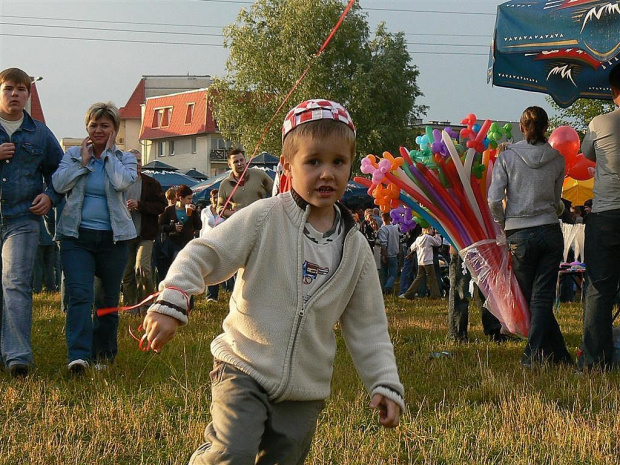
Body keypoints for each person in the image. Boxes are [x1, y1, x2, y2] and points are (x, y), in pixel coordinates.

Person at [142, 99, 404, 464]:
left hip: (304, 391)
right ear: (286, 166)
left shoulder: (354, 247)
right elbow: (205, 253)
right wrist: (174, 298)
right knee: (231, 454)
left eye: (338, 162)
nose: (327, 173)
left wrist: (384, 382)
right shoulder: (264, 217)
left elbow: (370, 324)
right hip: (243, 367)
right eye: (313, 161)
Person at [52, 101, 137, 373]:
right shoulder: (74, 155)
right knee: (79, 295)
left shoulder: (125, 158)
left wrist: (108, 155)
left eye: (104, 125)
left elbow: (122, 182)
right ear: (86, 127)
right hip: (77, 238)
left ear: (115, 130)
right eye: (93, 125)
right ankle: (78, 355)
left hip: (114, 240)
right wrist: (83, 164)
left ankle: (103, 355)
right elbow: (58, 184)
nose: (98, 130)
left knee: (108, 299)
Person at [488, 106, 571, 367]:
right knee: (542, 297)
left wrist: (503, 223)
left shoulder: (507, 158)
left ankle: (533, 353)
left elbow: (493, 199)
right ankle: (559, 355)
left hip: (519, 233)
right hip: (549, 230)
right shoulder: (558, 159)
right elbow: (557, 202)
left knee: (533, 298)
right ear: (546, 128)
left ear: (522, 128)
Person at [0, 67, 63, 377]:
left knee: (15, 282)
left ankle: (17, 357)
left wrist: (50, 196)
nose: (15, 94)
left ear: (27, 94)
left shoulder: (40, 132)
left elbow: (61, 171)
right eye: (9, 88)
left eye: (21, 89)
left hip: (22, 219)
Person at [579, 63, 620, 370]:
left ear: (612, 90)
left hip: (606, 213)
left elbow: (588, 154)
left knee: (599, 288)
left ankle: (596, 360)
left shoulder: (599, 122)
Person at [121, 149, 166, 313]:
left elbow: (161, 206)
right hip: (124, 235)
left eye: (139, 161)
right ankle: (131, 306)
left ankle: (147, 303)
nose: (137, 165)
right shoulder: (119, 182)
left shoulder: (151, 183)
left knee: (142, 268)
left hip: (145, 234)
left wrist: (140, 205)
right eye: (134, 161)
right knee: (127, 273)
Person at [447, 247, 506, 343]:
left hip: (478, 246)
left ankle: (495, 331)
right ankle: (457, 335)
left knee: (485, 290)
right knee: (460, 291)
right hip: (460, 245)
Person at [217, 148, 274, 218]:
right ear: (229, 165)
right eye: (235, 162)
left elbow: (276, 193)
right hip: (239, 224)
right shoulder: (225, 184)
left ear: (245, 161)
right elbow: (219, 209)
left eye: (241, 160)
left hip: (261, 220)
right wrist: (233, 214)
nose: (239, 163)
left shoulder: (259, 174)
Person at [158, 184, 202, 266]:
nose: (191, 201)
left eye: (191, 198)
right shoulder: (169, 210)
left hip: (187, 246)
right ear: (181, 198)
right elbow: (159, 227)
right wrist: (172, 227)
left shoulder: (192, 210)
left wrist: (195, 212)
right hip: (173, 245)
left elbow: (199, 226)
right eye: (189, 199)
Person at [402, 227, 442, 299]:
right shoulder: (428, 238)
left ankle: (409, 293)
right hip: (428, 261)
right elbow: (438, 243)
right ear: (427, 230)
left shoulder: (418, 239)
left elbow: (412, 247)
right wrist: (437, 235)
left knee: (419, 278)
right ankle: (436, 295)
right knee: (432, 278)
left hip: (420, 261)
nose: (432, 231)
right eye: (431, 229)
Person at [199, 189, 224, 303]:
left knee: (218, 268)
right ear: (210, 198)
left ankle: (219, 293)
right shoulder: (205, 211)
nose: (215, 199)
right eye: (214, 197)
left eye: (218, 197)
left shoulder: (225, 211)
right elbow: (202, 227)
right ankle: (210, 295)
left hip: (220, 242)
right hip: (207, 241)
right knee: (208, 268)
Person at [378, 211, 400, 294]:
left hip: (386, 253)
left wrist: (383, 254)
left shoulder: (383, 229)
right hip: (394, 253)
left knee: (384, 273)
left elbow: (384, 243)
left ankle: (385, 288)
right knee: (393, 274)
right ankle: (387, 287)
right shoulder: (395, 228)